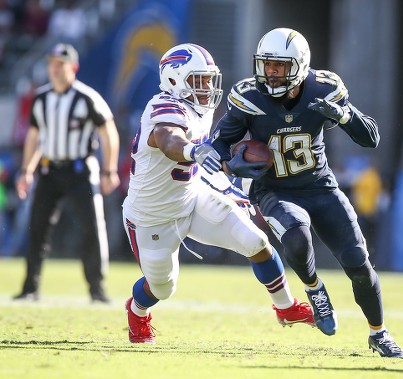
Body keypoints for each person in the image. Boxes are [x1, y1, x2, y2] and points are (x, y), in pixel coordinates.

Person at [211, 28, 403, 359]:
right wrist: (228, 165)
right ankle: (315, 290)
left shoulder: (324, 88)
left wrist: (344, 115)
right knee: (297, 238)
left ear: (299, 66)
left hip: (320, 187)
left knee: (358, 263)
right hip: (274, 190)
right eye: (266, 65)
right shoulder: (249, 97)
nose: (270, 73)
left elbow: (370, 138)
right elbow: (219, 144)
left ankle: (379, 333)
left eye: (278, 66)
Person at [122, 43, 315, 344]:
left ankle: (286, 308)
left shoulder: (203, 107)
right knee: (162, 287)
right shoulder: (163, 105)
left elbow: (205, 161)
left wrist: (225, 184)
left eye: (210, 79)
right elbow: (167, 138)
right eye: (199, 80)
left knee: (256, 242)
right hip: (151, 216)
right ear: (174, 80)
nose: (208, 87)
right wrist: (191, 150)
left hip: (191, 197)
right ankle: (137, 311)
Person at [13, 43, 120, 303]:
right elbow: (34, 137)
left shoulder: (87, 97)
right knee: (37, 228)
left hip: (80, 171)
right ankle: (30, 288)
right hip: (49, 170)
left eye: (61, 64)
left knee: (92, 228)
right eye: (52, 63)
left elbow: (109, 133)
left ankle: (97, 289)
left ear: (73, 67)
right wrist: (27, 170)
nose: (55, 69)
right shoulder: (41, 98)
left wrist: (109, 169)